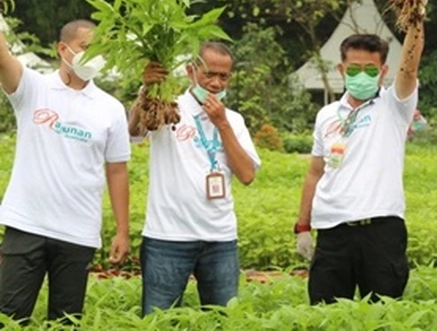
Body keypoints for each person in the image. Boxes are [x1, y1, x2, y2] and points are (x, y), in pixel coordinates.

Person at [294, 0, 428, 304]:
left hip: (380, 229)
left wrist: (417, 18)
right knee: (327, 314)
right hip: (333, 231)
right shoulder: (327, 115)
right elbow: (315, 172)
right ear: (341, 68)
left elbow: (409, 68)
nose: (362, 75)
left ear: (383, 71)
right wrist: (302, 225)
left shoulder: (393, 105)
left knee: (381, 315)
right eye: (354, 69)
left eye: (371, 70)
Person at [0, 20, 130, 324]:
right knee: (8, 315)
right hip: (27, 225)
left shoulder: (110, 108)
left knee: (66, 320)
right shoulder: (33, 87)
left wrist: (123, 231)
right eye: (87, 48)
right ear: (63, 48)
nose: (95, 57)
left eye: (101, 50)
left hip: (78, 232)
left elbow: (117, 171)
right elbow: (2, 56)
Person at [128, 42, 260, 316]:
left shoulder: (233, 120)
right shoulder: (167, 108)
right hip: (168, 236)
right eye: (208, 74)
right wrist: (146, 90)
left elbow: (247, 174)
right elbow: (133, 132)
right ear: (190, 71)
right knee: (158, 320)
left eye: (223, 76)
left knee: (223, 320)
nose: (215, 83)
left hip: (220, 239)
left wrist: (222, 124)